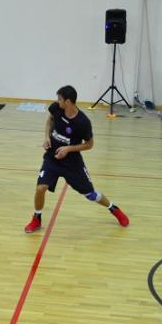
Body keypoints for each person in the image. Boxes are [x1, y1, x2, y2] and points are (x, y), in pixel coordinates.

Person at [24, 85, 129, 233]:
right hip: (52, 158)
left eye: (60, 99)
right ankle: (37, 218)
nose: (57, 101)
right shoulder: (56, 108)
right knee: (41, 188)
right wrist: (47, 137)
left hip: (72, 163)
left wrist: (68, 149)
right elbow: (50, 120)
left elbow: (89, 145)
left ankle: (113, 208)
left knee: (91, 195)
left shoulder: (83, 122)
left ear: (68, 102)